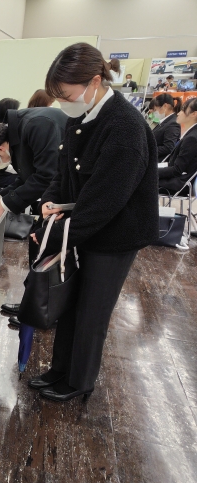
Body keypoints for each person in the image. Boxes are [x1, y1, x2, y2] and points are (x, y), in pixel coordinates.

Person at [28, 42, 158, 402]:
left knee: (92, 311)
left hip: (115, 235)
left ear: (95, 82)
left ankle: (79, 381)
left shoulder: (125, 128)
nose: (63, 103)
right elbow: (63, 172)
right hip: (83, 226)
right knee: (70, 302)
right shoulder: (82, 115)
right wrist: (47, 203)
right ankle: (59, 369)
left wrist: (54, 235)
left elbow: (105, 202)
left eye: (67, 95)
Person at [0, 104, 67, 327]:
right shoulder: (19, 133)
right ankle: (33, 305)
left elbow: (46, 177)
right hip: (56, 199)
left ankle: (43, 312)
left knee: (49, 252)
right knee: (38, 246)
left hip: (68, 200)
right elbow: (26, 177)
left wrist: (4, 206)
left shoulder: (38, 126)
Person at [158, 97, 197, 194]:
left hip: (181, 183)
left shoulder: (192, 138)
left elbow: (177, 170)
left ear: (194, 114)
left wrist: (151, 172)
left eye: (183, 110)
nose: (178, 113)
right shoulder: (191, 134)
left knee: (141, 181)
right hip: (180, 179)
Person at [152, 93, 182, 160]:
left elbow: (168, 147)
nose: (155, 113)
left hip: (158, 159)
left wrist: (148, 150)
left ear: (165, 106)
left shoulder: (173, 124)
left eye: (156, 110)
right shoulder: (165, 121)